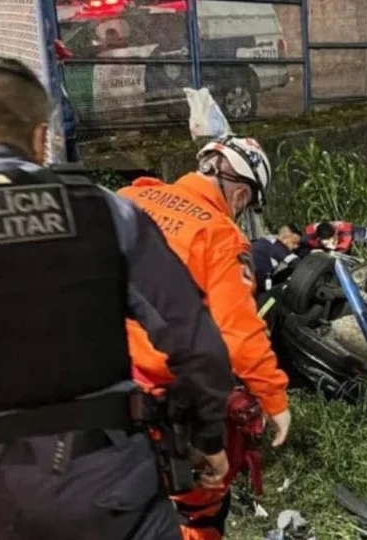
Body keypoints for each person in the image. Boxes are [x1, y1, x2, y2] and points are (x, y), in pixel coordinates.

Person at [0, 54, 235, 540]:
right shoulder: (107, 213)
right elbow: (198, 345)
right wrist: (206, 436)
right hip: (112, 493)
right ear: (41, 139)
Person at [117, 134, 292, 540]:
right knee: (202, 504)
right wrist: (274, 398)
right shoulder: (220, 235)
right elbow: (238, 332)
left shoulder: (127, 199)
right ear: (242, 194)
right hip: (161, 401)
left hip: (95, 390)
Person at [251, 224, 303, 293]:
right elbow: (297, 263)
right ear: (284, 237)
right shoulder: (278, 247)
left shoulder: (264, 242)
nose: (296, 247)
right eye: (294, 242)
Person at [302, 220, 367, 259]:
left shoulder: (346, 231)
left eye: (334, 241)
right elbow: (297, 250)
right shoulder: (309, 238)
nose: (333, 246)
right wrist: (309, 252)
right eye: (327, 244)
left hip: (343, 254)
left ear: (336, 232)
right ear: (319, 239)